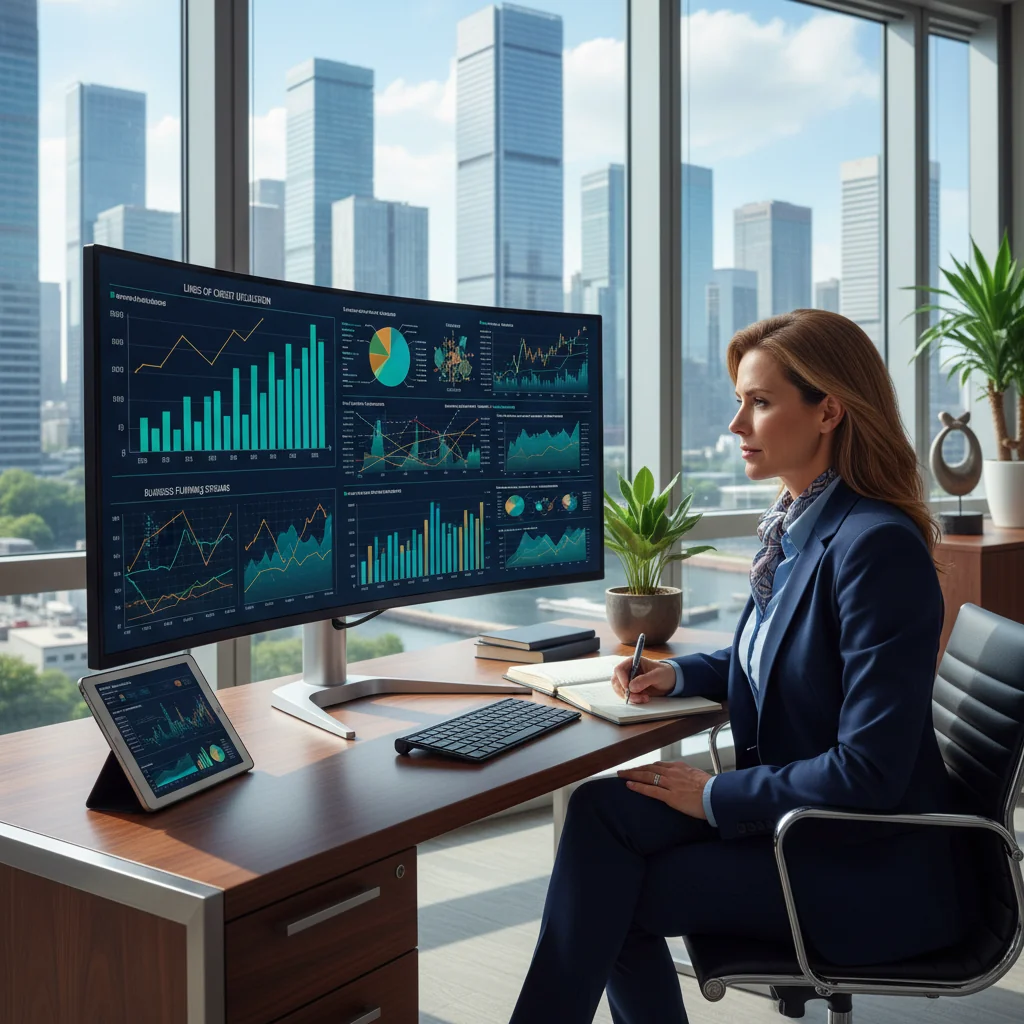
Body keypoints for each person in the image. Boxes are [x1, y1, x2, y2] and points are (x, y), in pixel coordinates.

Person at [508, 310, 972, 1024]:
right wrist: (684, 675)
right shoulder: (800, 524)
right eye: (738, 402)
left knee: (612, 893)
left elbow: (871, 772)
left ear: (829, 412)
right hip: (807, 825)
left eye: (759, 402)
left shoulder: (876, 548)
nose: (736, 426)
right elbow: (784, 656)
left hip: (867, 866)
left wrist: (714, 798)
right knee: (601, 812)